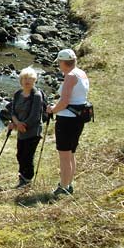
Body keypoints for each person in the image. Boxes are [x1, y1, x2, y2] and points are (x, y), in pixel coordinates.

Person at [46, 49, 89, 196]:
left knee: (64, 155)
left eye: (59, 63)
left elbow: (64, 102)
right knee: (71, 153)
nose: (59, 66)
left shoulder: (70, 77)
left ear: (63, 62)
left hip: (67, 120)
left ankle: (63, 187)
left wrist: (52, 109)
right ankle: (68, 184)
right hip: (79, 118)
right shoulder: (81, 73)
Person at [6, 67, 44, 189]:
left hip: (33, 131)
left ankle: (26, 180)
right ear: (21, 80)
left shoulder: (37, 95)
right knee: (20, 155)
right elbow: (12, 112)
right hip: (21, 130)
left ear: (34, 81)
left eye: (30, 79)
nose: (27, 81)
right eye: (25, 79)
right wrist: (17, 123)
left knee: (28, 156)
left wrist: (23, 125)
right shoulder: (18, 94)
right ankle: (22, 178)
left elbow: (35, 115)